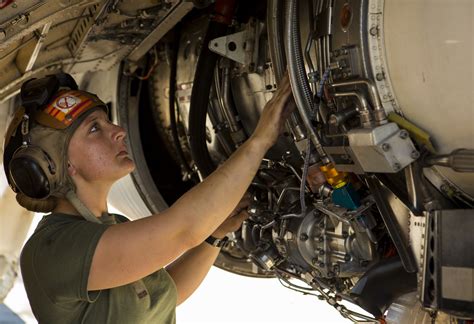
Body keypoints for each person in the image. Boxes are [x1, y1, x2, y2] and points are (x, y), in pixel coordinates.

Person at [3, 72, 294, 323]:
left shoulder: (113, 227)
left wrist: (215, 236)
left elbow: (167, 293)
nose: (118, 132)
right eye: (95, 129)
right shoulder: (51, 249)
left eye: (108, 122)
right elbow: (182, 230)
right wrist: (261, 139)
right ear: (59, 165)